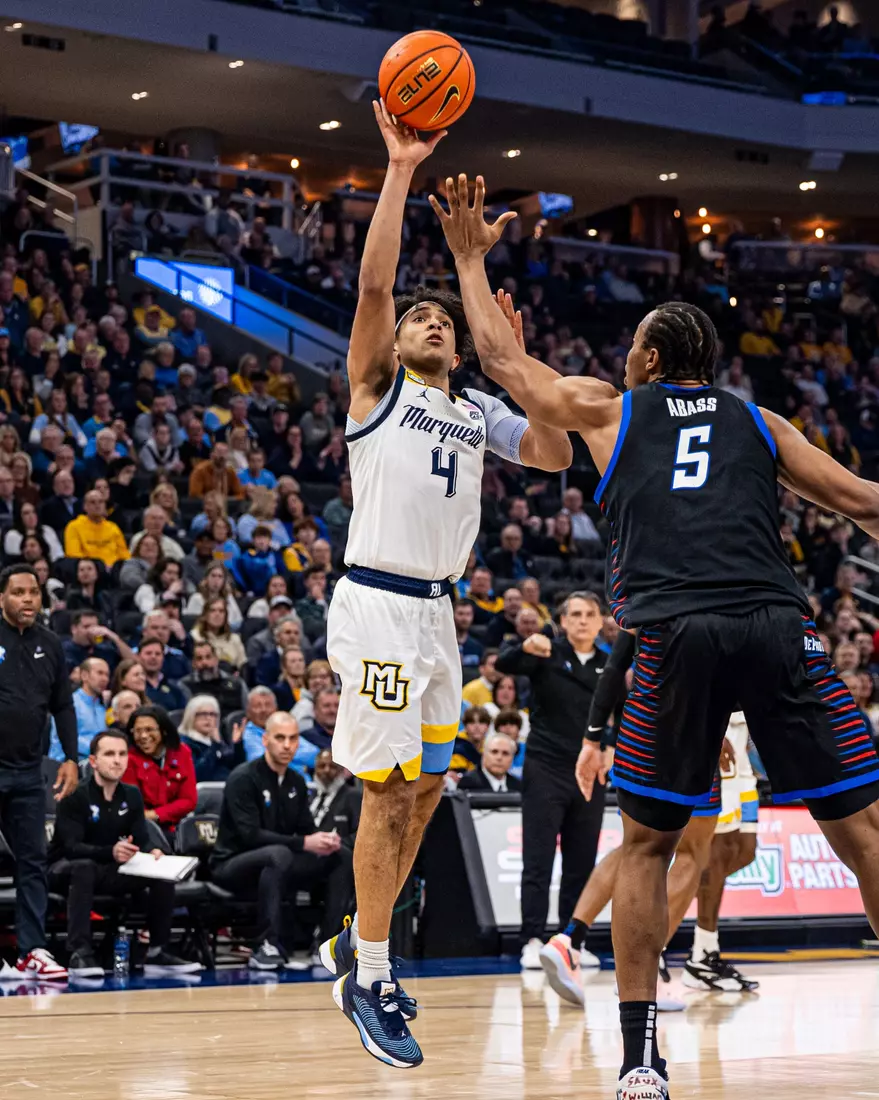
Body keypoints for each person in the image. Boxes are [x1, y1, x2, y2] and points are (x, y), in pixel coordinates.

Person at [437, 180, 879, 1099]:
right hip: (773, 626)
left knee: (646, 846)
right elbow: (862, 503)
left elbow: (500, 362)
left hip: (672, 635)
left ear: (644, 357)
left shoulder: (612, 409)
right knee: (864, 834)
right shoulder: (758, 421)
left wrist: (471, 260)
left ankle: (640, 1060)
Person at [321, 104, 571, 1069]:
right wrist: (398, 169)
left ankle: (357, 940)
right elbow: (375, 283)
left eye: (443, 320)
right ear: (396, 345)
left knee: (427, 788)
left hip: (437, 617)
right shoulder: (376, 392)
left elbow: (551, 452)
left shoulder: (472, 407)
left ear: (459, 349)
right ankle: (368, 975)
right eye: (418, 319)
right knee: (387, 796)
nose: (430, 320)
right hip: (380, 604)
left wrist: (518, 365)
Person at [494, 592, 606, 969]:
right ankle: (532, 938)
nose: (583, 620)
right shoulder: (547, 652)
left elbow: (620, 712)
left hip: (588, 773)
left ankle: (572, 941)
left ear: (601, 621)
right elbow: (504, 664)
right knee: (538, 858)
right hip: (545, 767)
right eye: (576, 614)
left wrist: (609, 746)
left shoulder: (608, 663)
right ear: (563, 620)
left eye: (590, 614)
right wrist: (525, 644)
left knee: (581, 862)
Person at [48, 730, 200, 977]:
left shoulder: (131, 794)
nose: (117, 760)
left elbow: (141, 837)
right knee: (84, 867)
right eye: (109, 754)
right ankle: (80, 952)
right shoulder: (75, 794)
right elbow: (70, 847)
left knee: (161, 873)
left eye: (122, 754)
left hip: (110, 867)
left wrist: (153, 851)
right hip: (65, 868)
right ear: (93, 761)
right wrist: (111, 851)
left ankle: (157, 950)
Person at [210, 713, 354, 970]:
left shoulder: (296, 781)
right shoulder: (243, 778)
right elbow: (250, 836)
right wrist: (304, 843)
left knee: (340, 855)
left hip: (280, 861)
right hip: (232, 863)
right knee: (278, 854)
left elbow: (305, 829)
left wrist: (323, 841)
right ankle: (267, 945)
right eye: (280, 738)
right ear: (265, 740)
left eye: (293, 738)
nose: (287, 745)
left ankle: (326, 944)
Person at [0, 564, 77, 980]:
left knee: (33, 862)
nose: (28, 599)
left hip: (29, 771)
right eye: (18, 592)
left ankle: (32, 950)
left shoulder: (50, 643)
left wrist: (71, 757)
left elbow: (63, 704)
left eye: (33, 592)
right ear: (1, 598)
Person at [122, 705, 197, 836]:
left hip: (176, 825)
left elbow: (189, 800)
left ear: (164, 730)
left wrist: (156, 814)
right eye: (138, 731)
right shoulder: (129, 758)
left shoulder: (182, 752)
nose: (143, 736)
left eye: (149, 729)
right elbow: (134, 805)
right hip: (144, 828)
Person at [178, 693, 246, 782]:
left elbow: (236, 768)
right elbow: (197, 774)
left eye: (213, 714)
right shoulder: (184, 743)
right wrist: (215, 746)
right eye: (203, 714)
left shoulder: (216, 741)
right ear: (191, 716)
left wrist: (237, 745)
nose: (208, 718)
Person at [180, 639, 248, 718]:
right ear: (193, 664)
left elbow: (248, 711)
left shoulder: (237, 683)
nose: (204, 662)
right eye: (199, 658)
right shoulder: (187, 685)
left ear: (216, 659)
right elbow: (189, 716)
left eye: (208, 657)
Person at [63, 488, 129, 568]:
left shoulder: (113, 527)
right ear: (85, 506)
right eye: (92, 502)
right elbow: (74, 556)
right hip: (88, 570)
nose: (97, 505)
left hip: (114, 570)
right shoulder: (74, 527)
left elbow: (124, 554)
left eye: (101, 502)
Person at [310, 749, 361, 847]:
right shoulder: (310, 795)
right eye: (322, 766)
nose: (327, 770)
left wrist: (336, 843)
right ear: (315, 769)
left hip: (339, 850)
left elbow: (359, 834)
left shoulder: (353, 796)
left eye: (332, 766)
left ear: (341, 770)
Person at [62, 609, 134, 674]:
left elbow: (133, 664)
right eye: (86, 627)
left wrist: (114, 637)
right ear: (74, 629)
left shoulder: (106, 648)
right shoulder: (64, 651)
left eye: (95, 627)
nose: (92, 630)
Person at [191, 598, 247, 671]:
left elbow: (243, 667)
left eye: (221, 611)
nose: (217, 614)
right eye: (212, 610)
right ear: (205, 615)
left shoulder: (235, 639)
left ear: (226, 616)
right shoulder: (194, 636)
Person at [72, 657, 111, 760]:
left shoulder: (102, 707)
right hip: (67, 763)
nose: (105, 679)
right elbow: (67, 738)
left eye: (107, 675)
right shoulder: (70, 703)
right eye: (100, 673)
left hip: (96, 761)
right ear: (84, 675)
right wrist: (100, 748)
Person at [138, 636, 190, 711]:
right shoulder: (133, 687)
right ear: (139, 656)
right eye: (148, 653)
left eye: (158, 654)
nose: (153, 657)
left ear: (163, 658)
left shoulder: (175, 690)